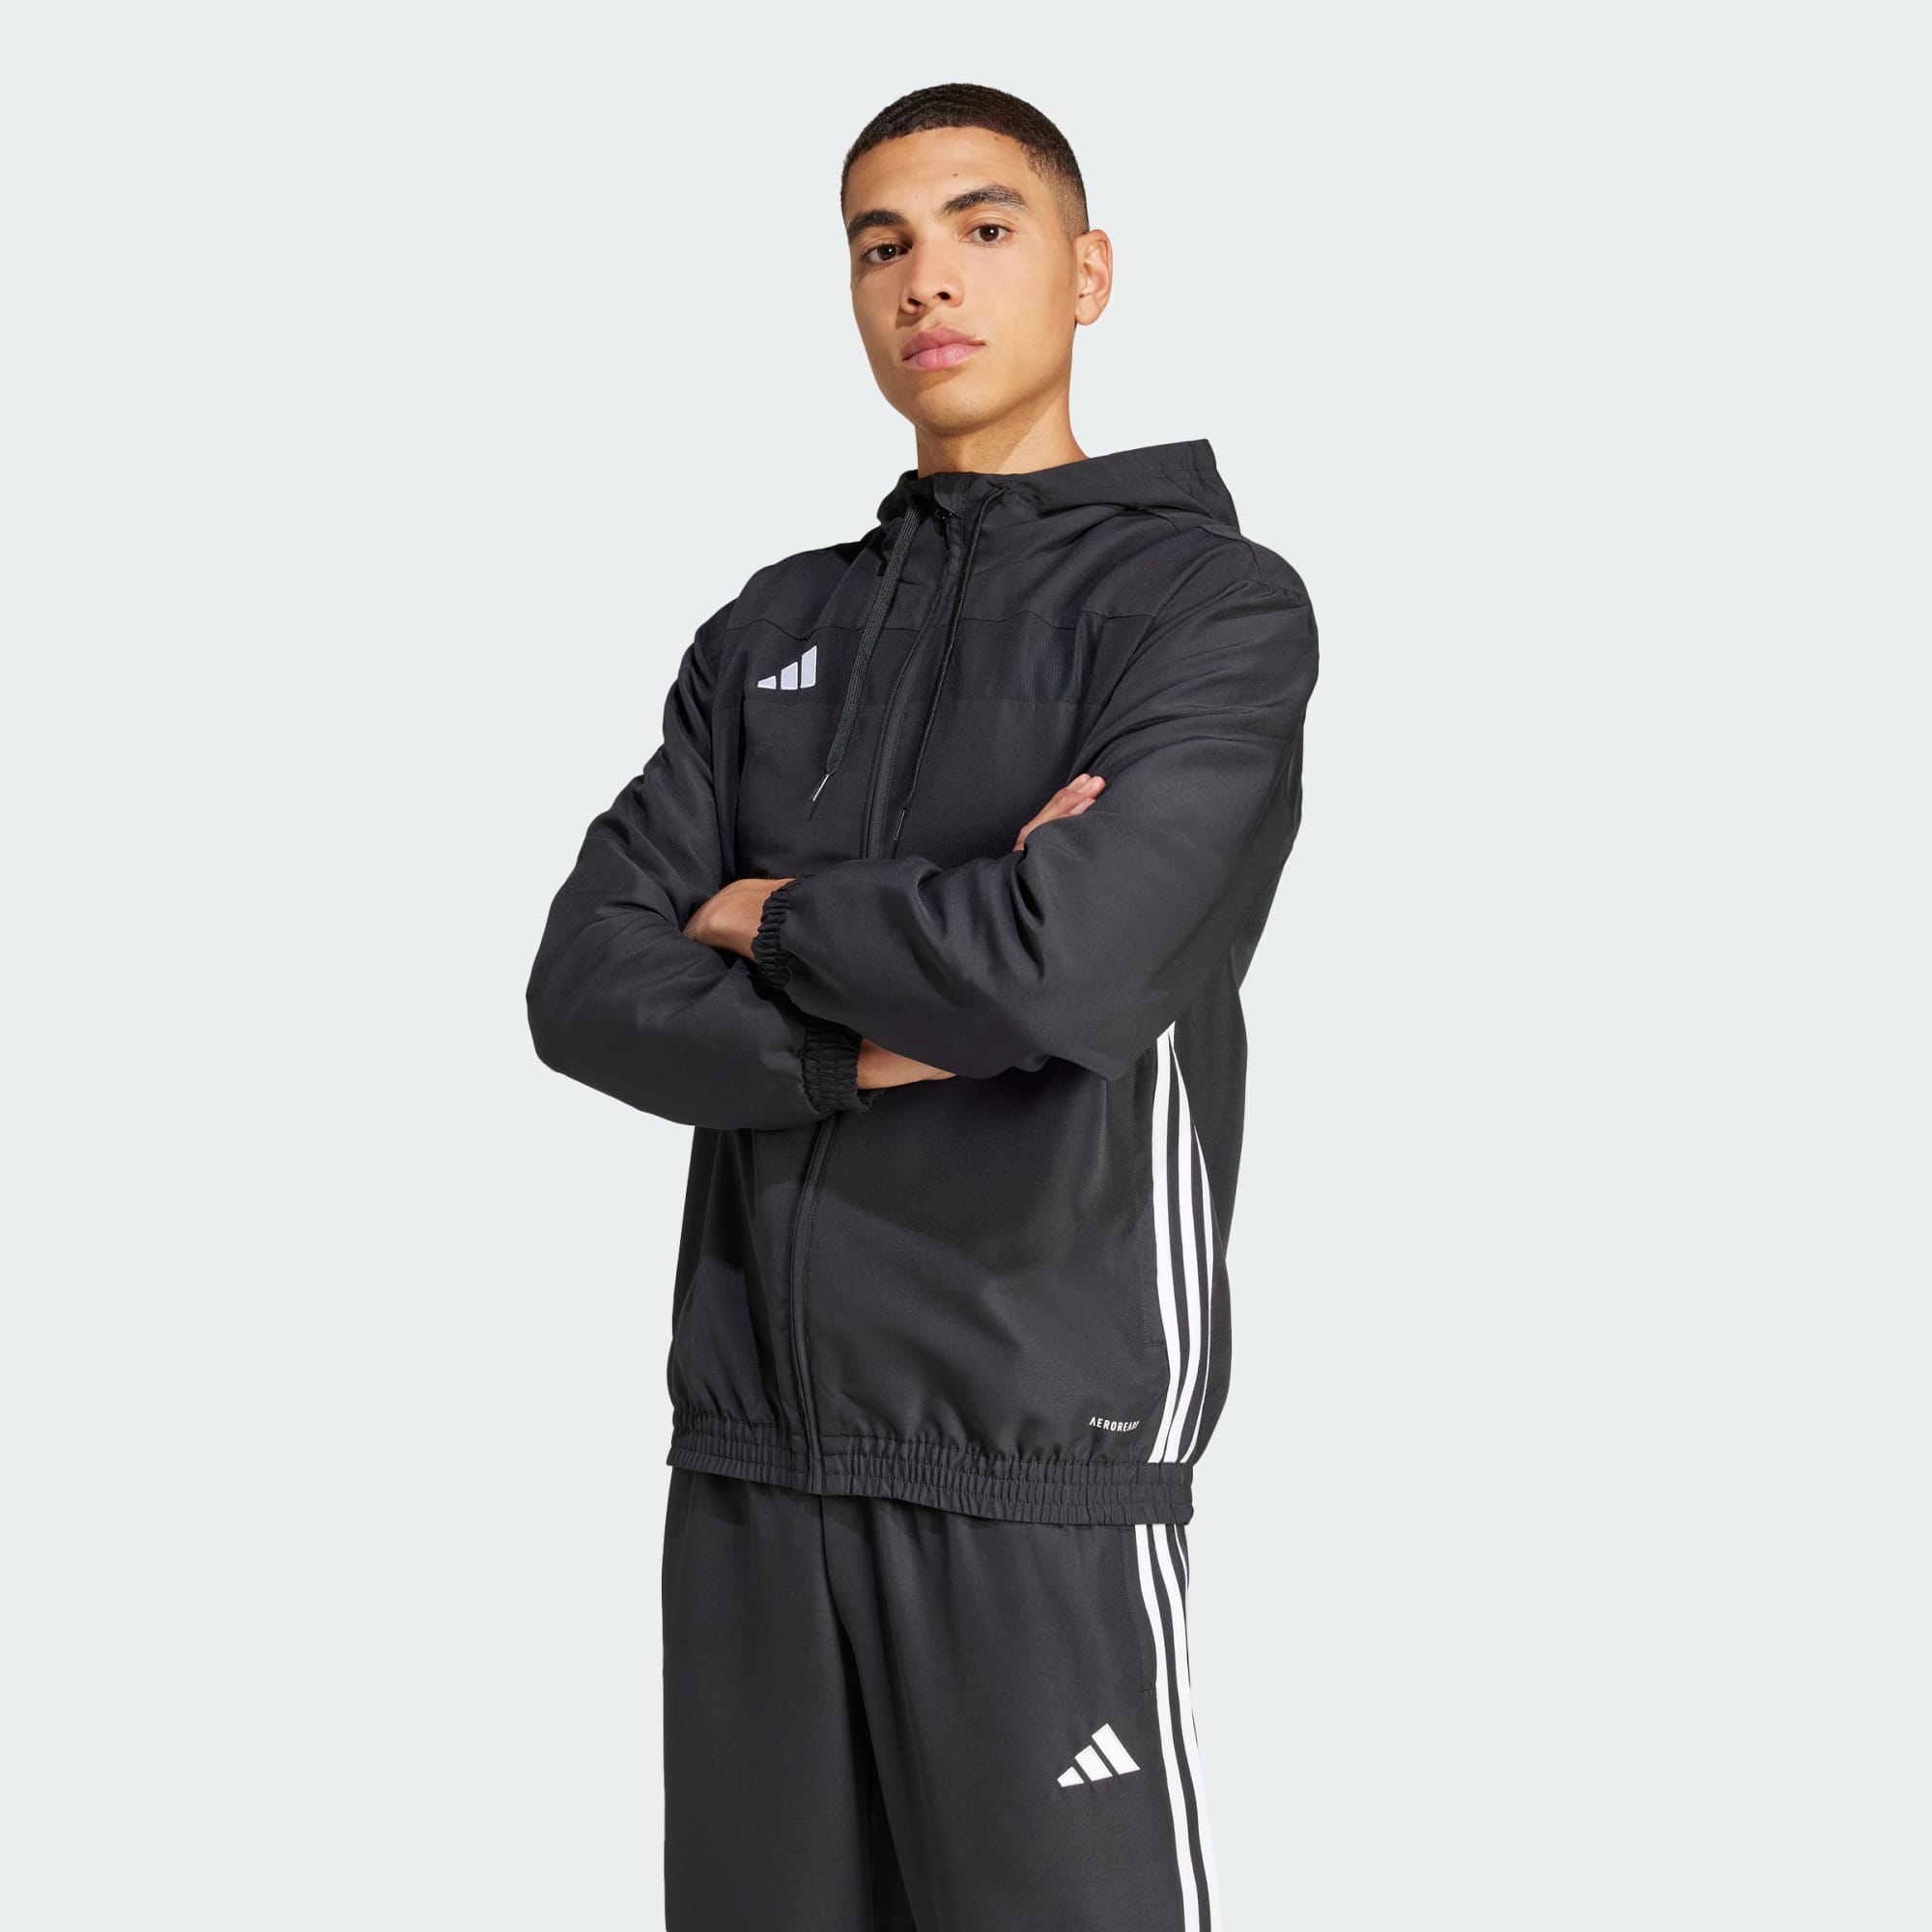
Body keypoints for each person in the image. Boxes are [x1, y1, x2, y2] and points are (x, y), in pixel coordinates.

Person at [526, 80, 1320, 1932]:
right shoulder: (770, 630)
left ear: (1087, 272)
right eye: (879, 244)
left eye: (982, 227)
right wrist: (864, 1035)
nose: (926, 280)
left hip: (1031, 1449)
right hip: (750, 1448)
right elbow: (583, 983)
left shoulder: (1207, 608)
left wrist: (764, 912)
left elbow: (1074, 965)